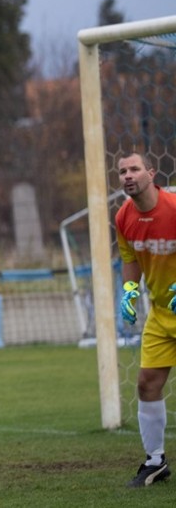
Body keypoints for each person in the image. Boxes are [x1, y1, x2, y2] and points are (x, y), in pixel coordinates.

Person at [115, 152, 176, 487]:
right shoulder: (123, 216)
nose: (127, 175)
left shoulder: (174, 208)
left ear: (151, 173)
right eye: (122, 171)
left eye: (134, 168)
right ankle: (155, 462)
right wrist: (129, 290)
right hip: (161, 314)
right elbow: (130, 258)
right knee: (146, 384)